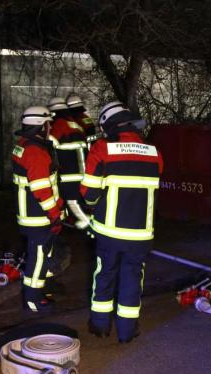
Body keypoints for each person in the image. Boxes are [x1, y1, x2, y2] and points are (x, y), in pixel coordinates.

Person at [81, 101, 162, 343]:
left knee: (104, 275)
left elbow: (89, 193)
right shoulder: (154, 153)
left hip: (109, 232)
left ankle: (100, 326)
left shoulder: (102, 148)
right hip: (140, 234)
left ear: (109, 126)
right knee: (132, 280)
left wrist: (93, 204)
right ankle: (127, 332)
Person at [12, 105, 64, 313]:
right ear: (40, 126)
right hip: (38, 216)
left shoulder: (24, 146)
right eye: (48, 124)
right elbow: (42, 189)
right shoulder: (35, 152)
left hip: (30, 215)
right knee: (39, 258)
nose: (50, 128)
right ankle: (32, 301)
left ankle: (39, 292)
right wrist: (54, 215)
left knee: (40, 256)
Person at [47, 96, 91, 229]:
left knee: (71, 200)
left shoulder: (59, 124)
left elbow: (50, 143)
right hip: (82, 170)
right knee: (78, 199)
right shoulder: (75, 123)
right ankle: (75, 222)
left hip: (69, 172)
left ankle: (87, 225)